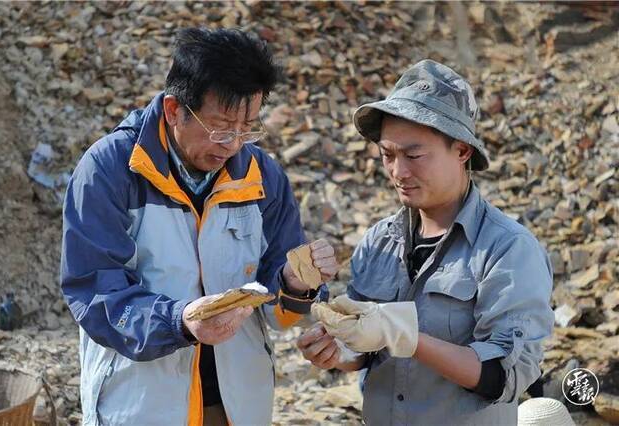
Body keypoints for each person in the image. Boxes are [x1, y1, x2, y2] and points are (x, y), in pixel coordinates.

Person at [61, 28, 338, 426]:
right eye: (222, 127)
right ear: (175, 110)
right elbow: (94, 291)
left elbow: (278, 311)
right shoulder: (109, 171)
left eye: (248, 128)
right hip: (144, 404)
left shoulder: (263, 177)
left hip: (235, 403)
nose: (233, 144)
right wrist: (180, 321)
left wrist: (297, 283)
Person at [298, 59, 555, 425]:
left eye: (414, 155)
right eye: (388, 155)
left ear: (462, 150)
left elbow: (506, 375)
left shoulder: (507, 248)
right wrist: (335, 350)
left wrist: (404, 333)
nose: (399, 172)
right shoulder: (378, 240)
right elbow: (365, 352)